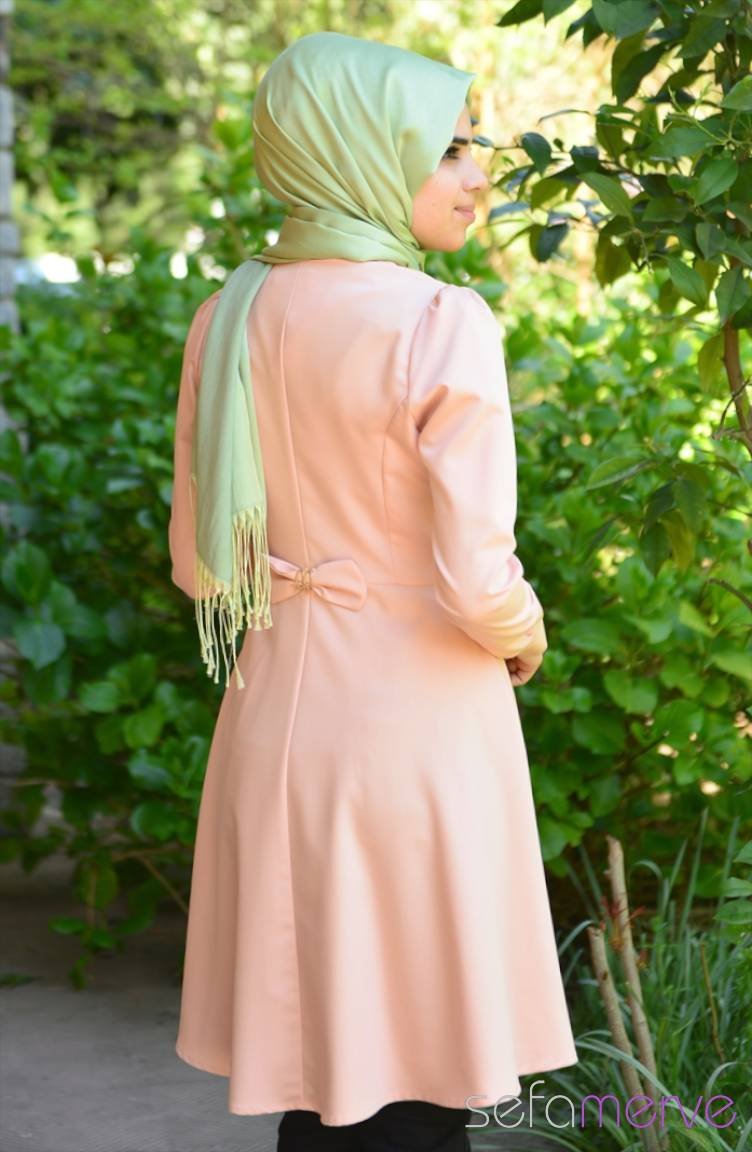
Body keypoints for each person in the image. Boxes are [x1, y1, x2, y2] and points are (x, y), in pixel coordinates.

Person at [168, 29, 578, 1152]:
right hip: (414, 729)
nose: (478, 172)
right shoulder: (438, 321)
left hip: (274, 719)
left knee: (322, 1069)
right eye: (447, 147)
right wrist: (523, 634)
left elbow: (201, 564)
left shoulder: (229, 315)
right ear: (359, 148)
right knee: (418, 1080)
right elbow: (475, 575)